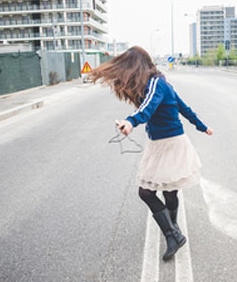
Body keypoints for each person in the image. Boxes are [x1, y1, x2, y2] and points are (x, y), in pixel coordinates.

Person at [89, 46, 213, 261]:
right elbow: (183, 108)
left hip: (172, 143)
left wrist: (130, 122)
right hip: (158, 144)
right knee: (167, 191)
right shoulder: (156, 84)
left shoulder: (157, 83)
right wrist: (202, 127)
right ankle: (173, 232)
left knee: (149, 192)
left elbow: (150, 109)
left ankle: (173, 234)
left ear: (136, 66)